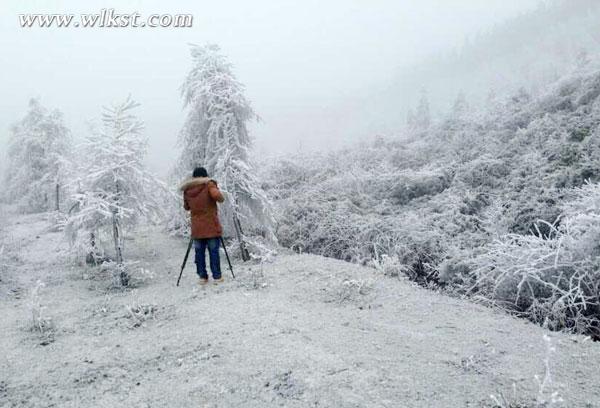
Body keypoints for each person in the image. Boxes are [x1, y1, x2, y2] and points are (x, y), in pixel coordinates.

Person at [179, 167, 225, 284]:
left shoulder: (187, 189)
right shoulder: (209, 185)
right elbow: (219, 197)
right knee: (213, 251)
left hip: (197, 228)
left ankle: (202, 277)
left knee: (199, 253)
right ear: (205, 176)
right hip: (211, 226)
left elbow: (186, 207)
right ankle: (217, 276)